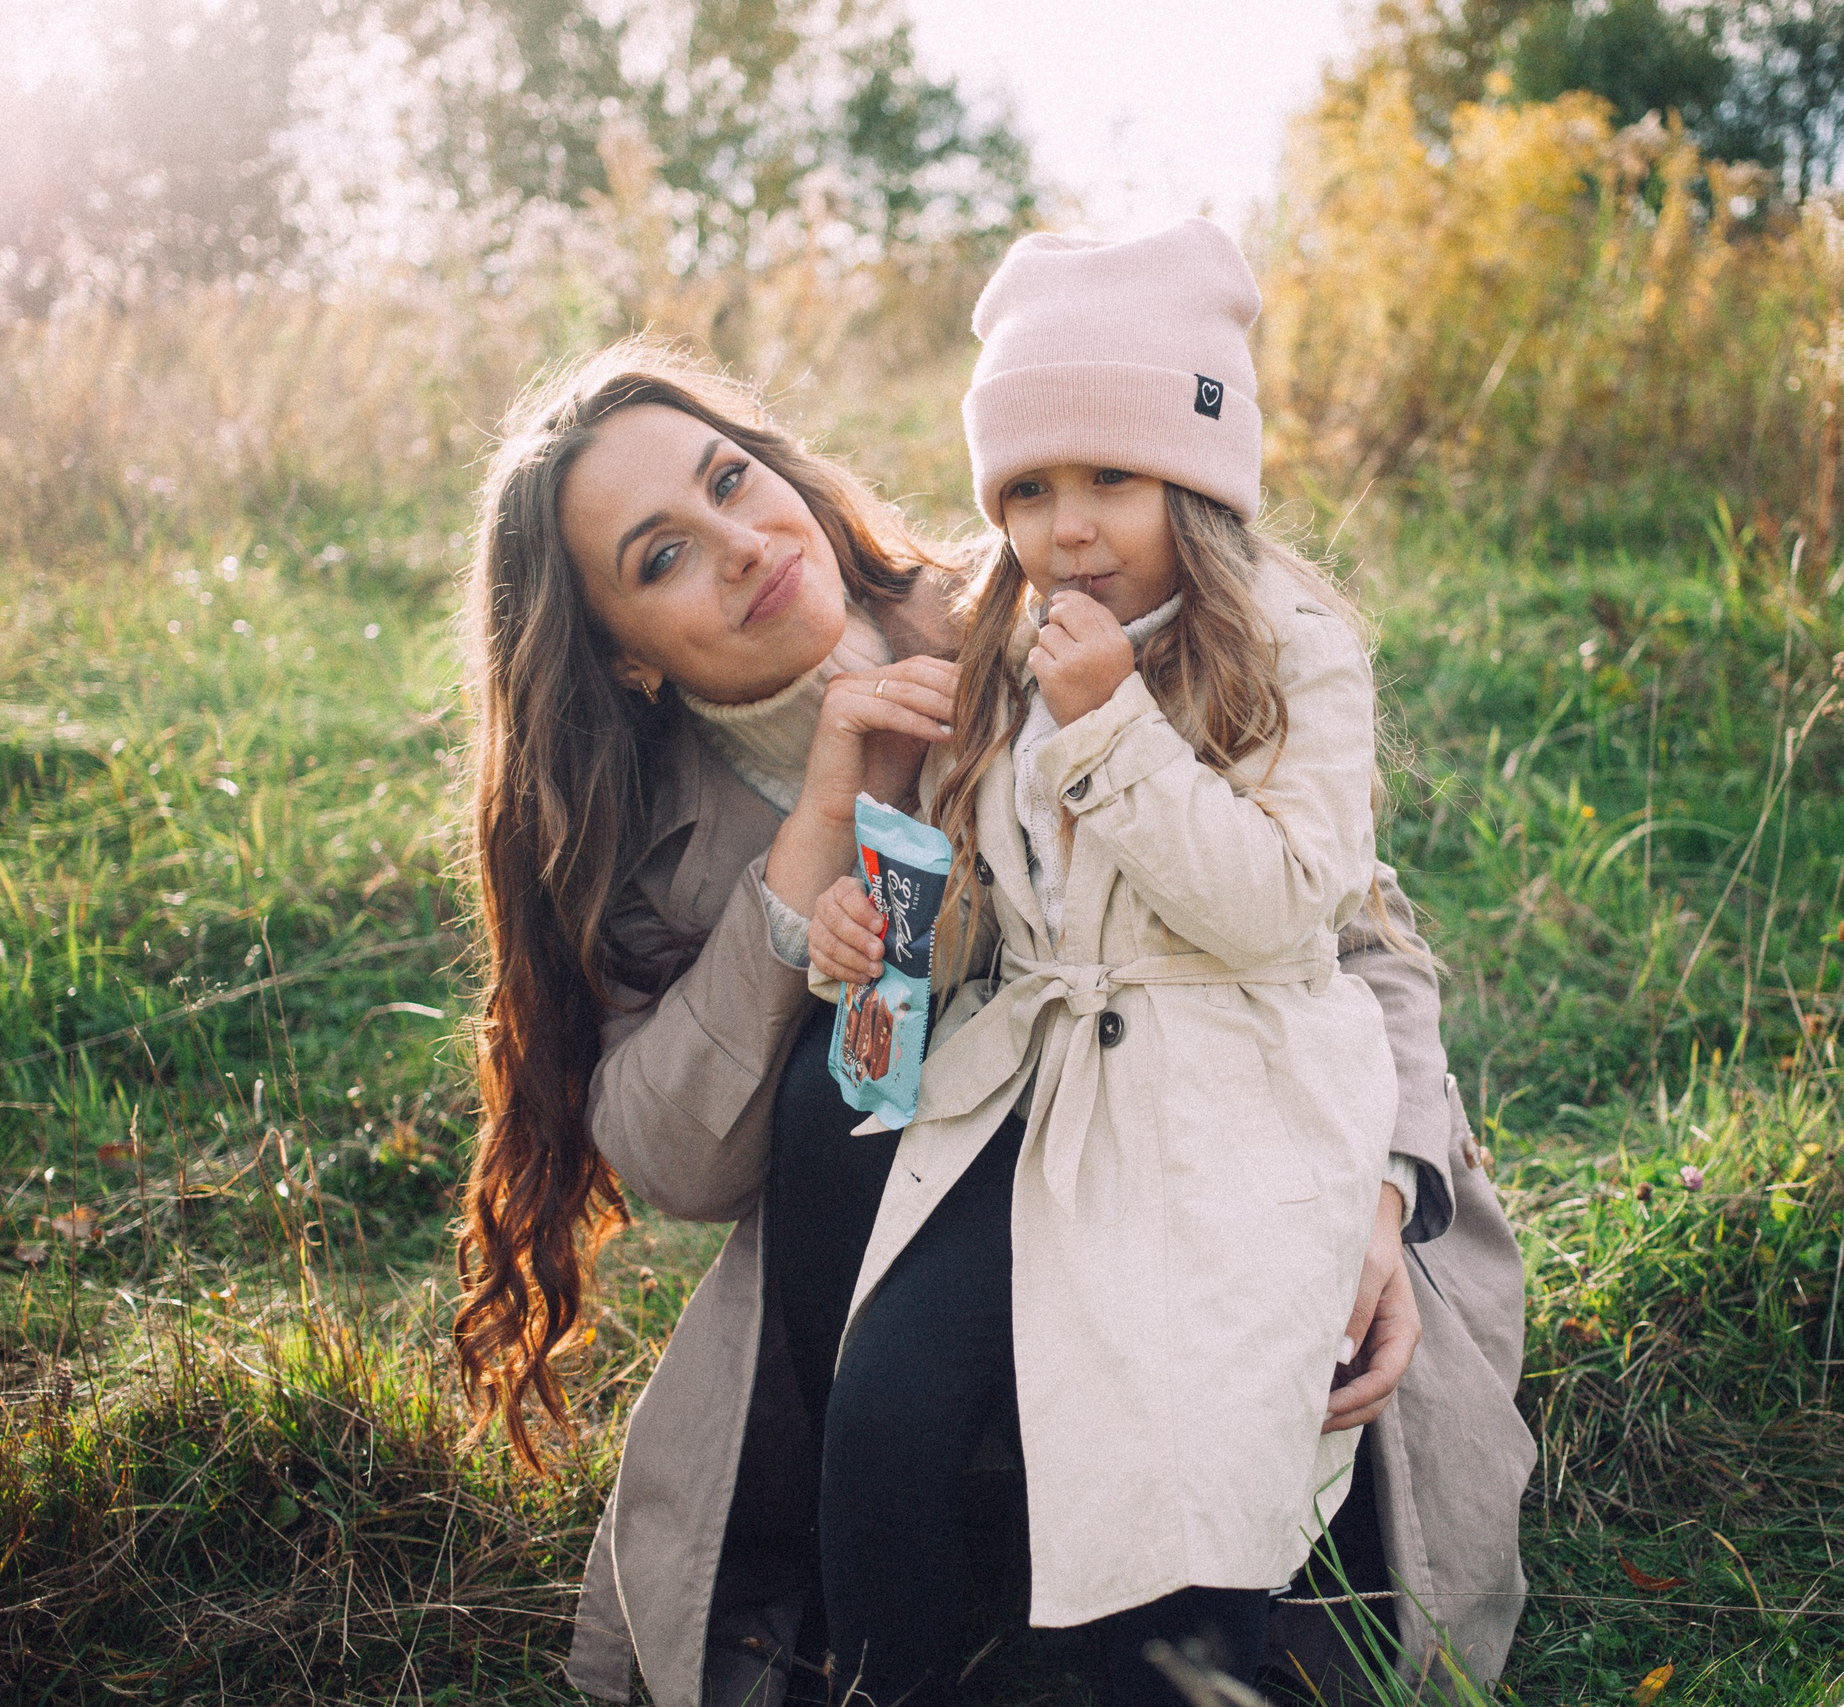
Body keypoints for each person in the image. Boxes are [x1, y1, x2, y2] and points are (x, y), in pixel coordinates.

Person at [449, 334, 1533, 1707]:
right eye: (659, 557)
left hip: (1210, 1174)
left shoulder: (1032, 612)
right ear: (621, 657)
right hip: (910, 1260)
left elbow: (1350, 935)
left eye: (732, 479)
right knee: (823, 1107)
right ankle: (916, 1599)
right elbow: (682, 1160)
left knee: (1317, 1611)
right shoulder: (633, 826)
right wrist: (818, 840)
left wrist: (1382, 1195)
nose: (736, 545)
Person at [801, 215, 1418, 1707]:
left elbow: (1280, 913)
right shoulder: (1008, 645)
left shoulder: (1295, 646)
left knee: (1189, 1435)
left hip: (1233, 1095)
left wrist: (1113, 732)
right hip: (1038, 1087)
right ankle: (892, 1677)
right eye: (1026, 489)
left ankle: (1174, 1669)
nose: (1067, 527)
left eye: (1109, 479)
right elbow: (995, 922)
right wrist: (870, 938)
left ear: (1195, 477)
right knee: (886, 1395)